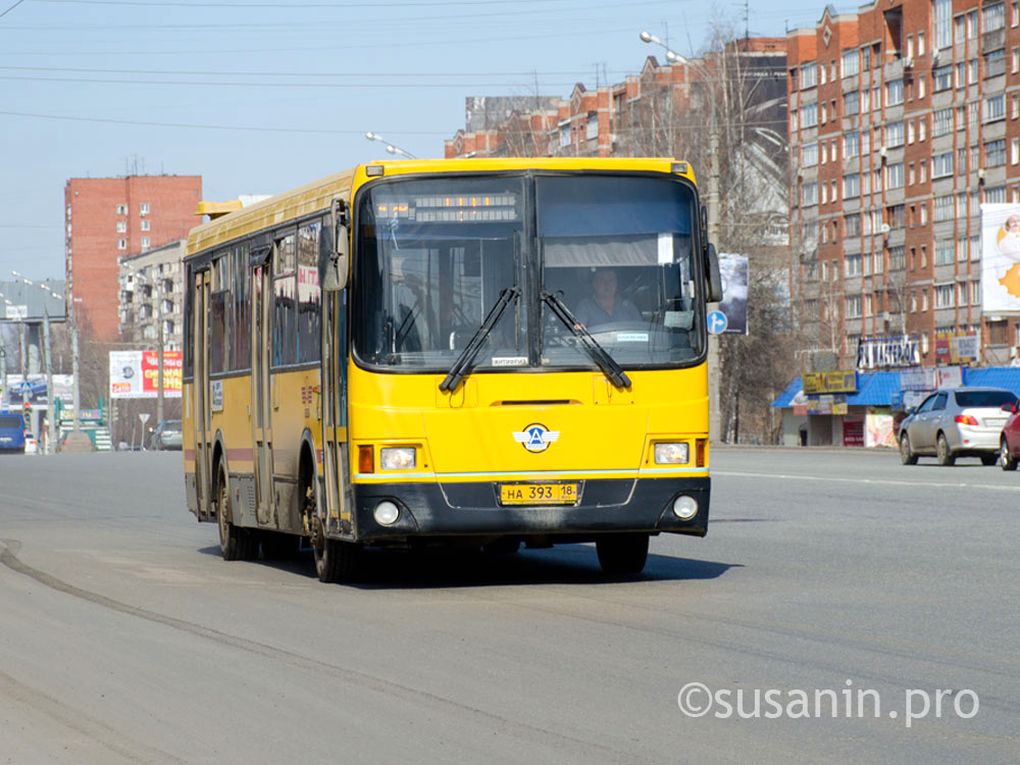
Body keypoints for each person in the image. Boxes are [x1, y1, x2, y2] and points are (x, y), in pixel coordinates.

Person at [573, 268, 641, 328]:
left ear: (616, 283)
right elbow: (579, 334)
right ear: (595, 284)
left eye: (611, 280)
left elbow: (640, 333)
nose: (607, 284)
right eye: (602, 280)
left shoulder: (629, 307)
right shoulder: (585, 307)